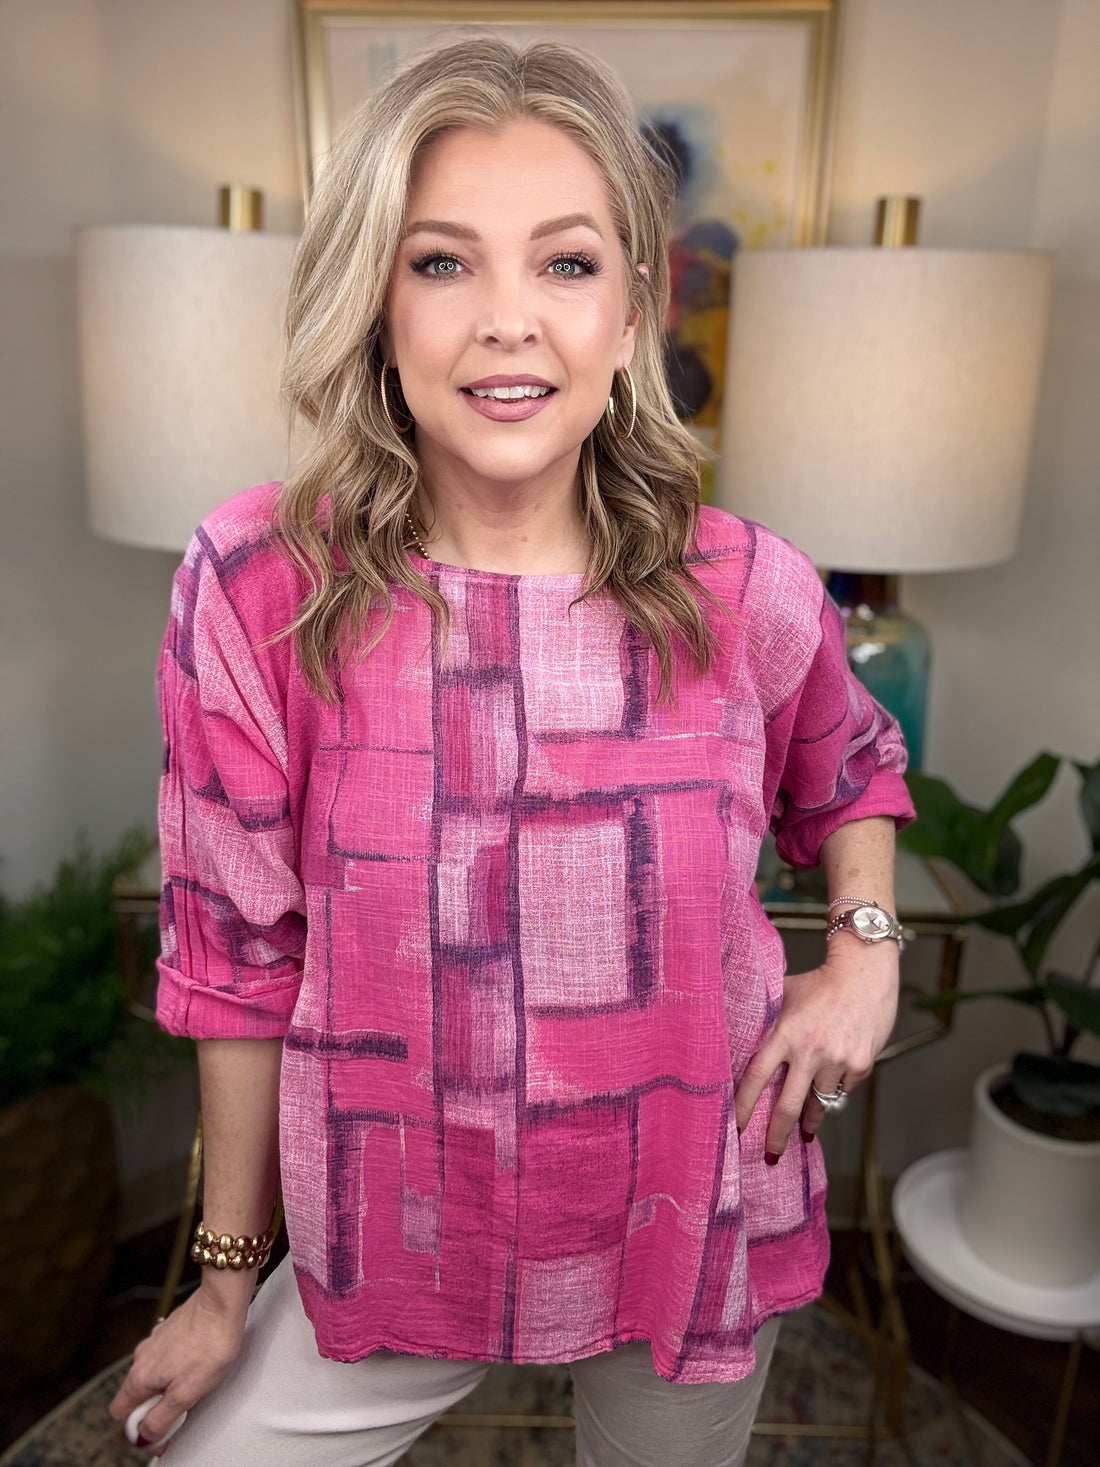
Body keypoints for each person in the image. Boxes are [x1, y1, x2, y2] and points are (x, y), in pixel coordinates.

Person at [109, 34, 915, 1467]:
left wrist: (865, 951)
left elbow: (851, 767)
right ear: (376, 305)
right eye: (440, 262)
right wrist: (229, 1275)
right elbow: (234, 956)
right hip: (396, 1227)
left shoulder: (747, 591)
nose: (506, 321)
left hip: (686, 1209)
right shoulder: (254, 587)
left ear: (633, 309)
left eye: (564, 263)